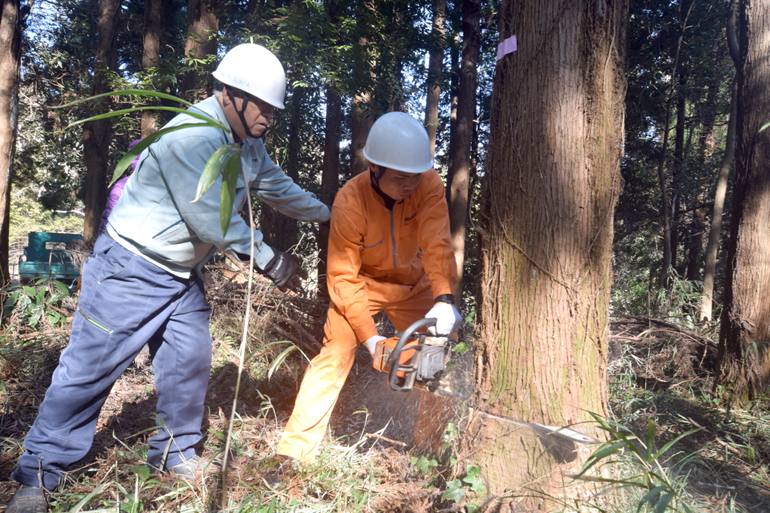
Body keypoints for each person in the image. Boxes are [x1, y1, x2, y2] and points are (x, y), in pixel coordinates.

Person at [4, 43, 330, 513]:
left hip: (179, 274)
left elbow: (278, 188)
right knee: (89, 370)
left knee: (190, 362)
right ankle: (38, 473)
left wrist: (332, 213)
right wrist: (268, 258)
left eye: (273, 111)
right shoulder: (192, 138)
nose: (269, 118)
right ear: (230, 96)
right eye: (262, 106)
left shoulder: (248, 144)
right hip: (130, 269)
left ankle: (175, 454)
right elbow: (207, 217)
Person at [266, 111, 461, 481]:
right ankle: (294, 451)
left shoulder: (428, 184)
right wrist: (372, 341)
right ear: (375, 168)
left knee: (438, 352)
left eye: (415, 176)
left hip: (412, 283)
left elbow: (437, 243)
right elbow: (342, 276)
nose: (410, 184)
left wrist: (445, 298)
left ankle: (431, 448)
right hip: (360, 285)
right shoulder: (350, 201)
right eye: (401, 177)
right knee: (335, 354)